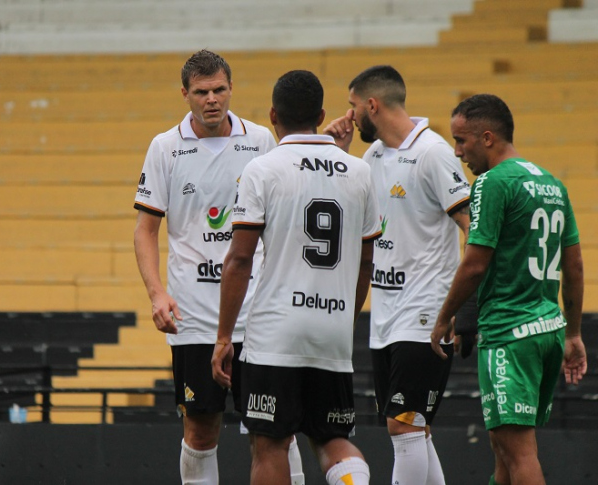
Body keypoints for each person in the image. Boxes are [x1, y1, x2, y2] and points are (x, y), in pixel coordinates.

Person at [133, 49, 304, 484]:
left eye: (220, 90)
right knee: (200, 429)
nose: (212, 99)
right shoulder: (165, 148)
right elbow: (145, 230)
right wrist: (157, 293)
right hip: (193, 317)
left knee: (275, 431)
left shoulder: (261, 141)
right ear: (186, 94)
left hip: (258, 316)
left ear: (231, 89)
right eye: (202, 92)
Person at [212, 69, 381, 485]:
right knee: (331, 439)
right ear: (321, 114)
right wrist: (344, 314)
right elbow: (365, 263)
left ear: (272, 115)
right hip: (333, 333)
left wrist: (222, 337)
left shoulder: (262, 169)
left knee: (270, 443)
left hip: (275, 335)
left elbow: (239, 260)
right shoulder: (360, 173)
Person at [323, 65, 472, 485]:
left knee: (402, 425)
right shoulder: (372, 157)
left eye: (352, 107)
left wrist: (465, 306)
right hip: (385, 318)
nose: (349, 116)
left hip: (426, 313)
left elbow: (472, 228)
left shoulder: (434, 153)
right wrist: (338, 152)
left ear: (372, 105)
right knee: (414, 428)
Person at [430, 94, 587, 485]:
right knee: (503, 450)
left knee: (518, 453)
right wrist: (574, 332)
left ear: (487, 137)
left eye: (461, 140)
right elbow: (576, 265)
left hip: (508, 335)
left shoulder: (491, 183)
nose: (457, 151)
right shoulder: (552, 184)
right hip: (547, 331)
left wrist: (445, 315)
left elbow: (475, 262)